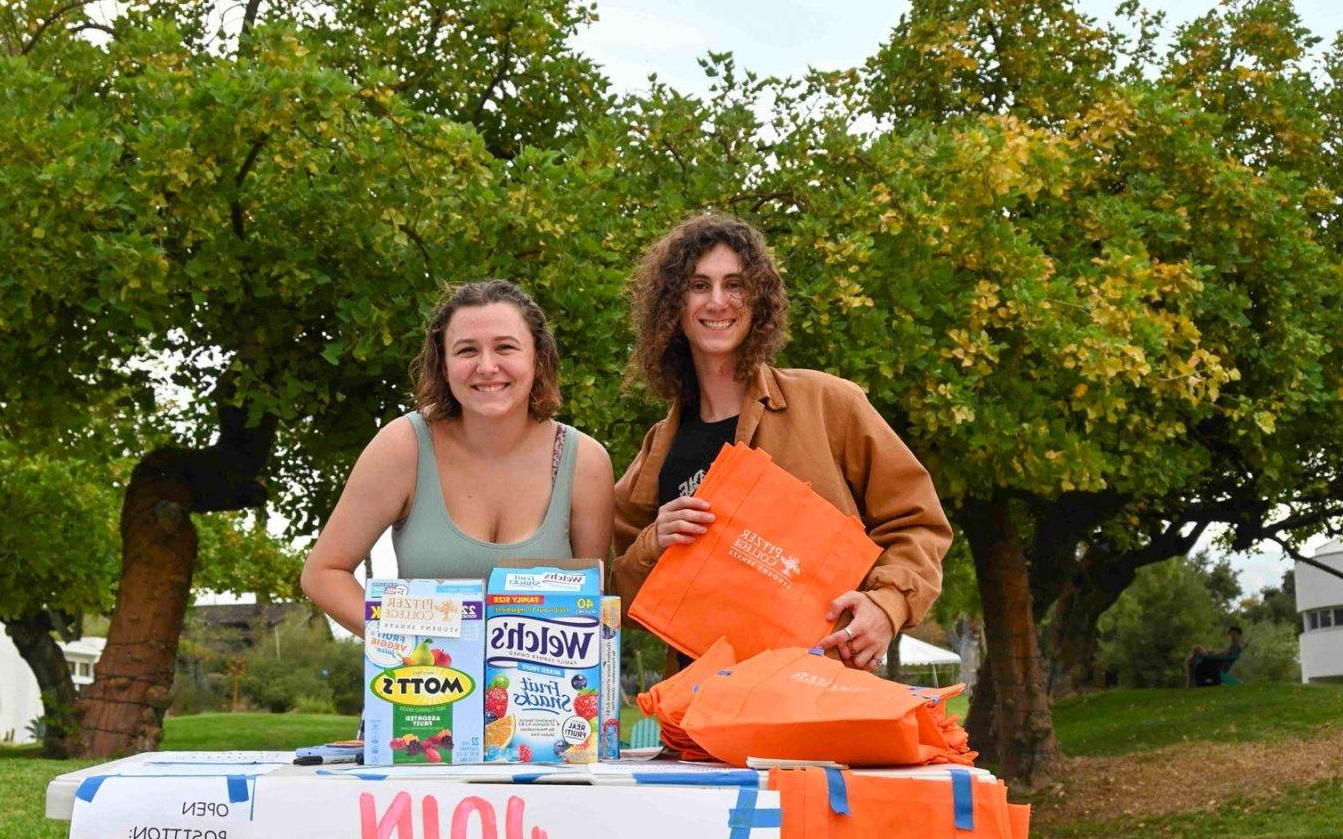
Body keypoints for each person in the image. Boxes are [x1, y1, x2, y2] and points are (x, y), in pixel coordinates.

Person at [612, 213, 952, 671]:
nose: (717, 301)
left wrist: (887, 606)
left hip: (817, 698)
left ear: (759, 301)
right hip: (697, 710)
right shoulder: (657, 451)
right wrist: (655, 542)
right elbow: (621, 601)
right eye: (698, 285)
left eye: (735, 284)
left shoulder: (830, 404)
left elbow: (919, 522)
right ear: (673, 305)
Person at [301, 279, 616, 636]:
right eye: (467, 351)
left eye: (505, 348)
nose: (486, 366)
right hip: (424, 683)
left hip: (544, 690)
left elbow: (594, 604)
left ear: (538, 357)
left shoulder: (586, 463)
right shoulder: (403, 447)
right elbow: (323, 573)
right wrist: (401, 643)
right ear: (444, 365)